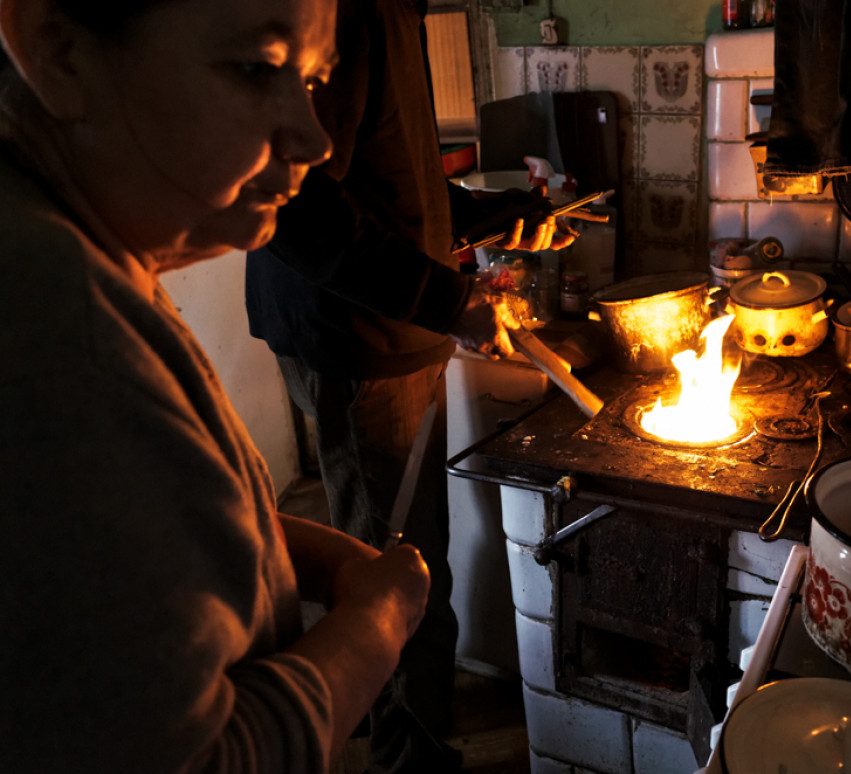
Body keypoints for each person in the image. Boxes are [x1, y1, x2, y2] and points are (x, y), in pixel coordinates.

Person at [0, 0, 432, 771]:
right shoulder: (51, 325)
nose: (313, 136)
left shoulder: (86, 253)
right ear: (57, 50)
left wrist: (280, 542)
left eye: (313, 81)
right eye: (258, 70)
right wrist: (377, 623)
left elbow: (132, 526)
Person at [243, 0, 573, 771]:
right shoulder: (358, 12)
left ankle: (394, 723)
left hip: (378, 327)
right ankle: (407, 751)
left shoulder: (395, 13)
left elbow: (393, 190)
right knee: (397, 569)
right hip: (358, 336)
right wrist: (447, 301)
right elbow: (296, 207)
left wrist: (499, 216)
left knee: (397, 547)